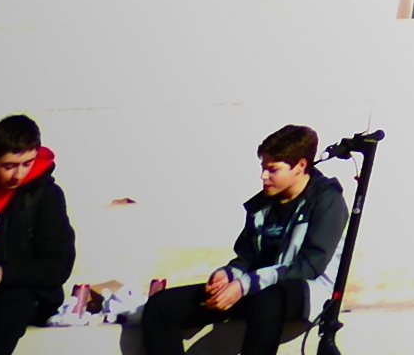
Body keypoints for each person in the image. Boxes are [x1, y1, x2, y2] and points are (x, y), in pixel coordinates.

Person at [132, 128, 339, 355]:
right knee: (161, 306)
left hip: (304, 291)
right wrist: (228, 275)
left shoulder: (327, 201)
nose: (263, 176)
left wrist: (244, 285)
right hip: (253, 288)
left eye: (272, 169)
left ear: (300, 166)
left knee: (268, 300)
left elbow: (309, 267)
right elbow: (247, 257)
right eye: (262, 167)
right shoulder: (262, 205)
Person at [0, 115, 74, 355]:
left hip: (17, 293)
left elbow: (58, 264)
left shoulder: (46, 196)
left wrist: (5, 273)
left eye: (27, 163)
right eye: (8, 166)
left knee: (15, 306)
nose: (18, 174)